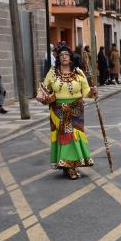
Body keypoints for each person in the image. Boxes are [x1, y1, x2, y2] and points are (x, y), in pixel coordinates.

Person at [42, 45, 97, 179]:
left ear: (70, 57)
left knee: (74, 136)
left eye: (66, 54)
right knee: (65, 136)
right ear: (58, 58)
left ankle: (69, 164)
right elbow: (43, 89)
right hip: (58, 110)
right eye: (61, 55)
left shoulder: (78, 72)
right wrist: (41, 96)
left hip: (76, 109)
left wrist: (93, 92)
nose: (64, 57)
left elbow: (86, 92)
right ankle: (69, 166)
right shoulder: (52, 72)